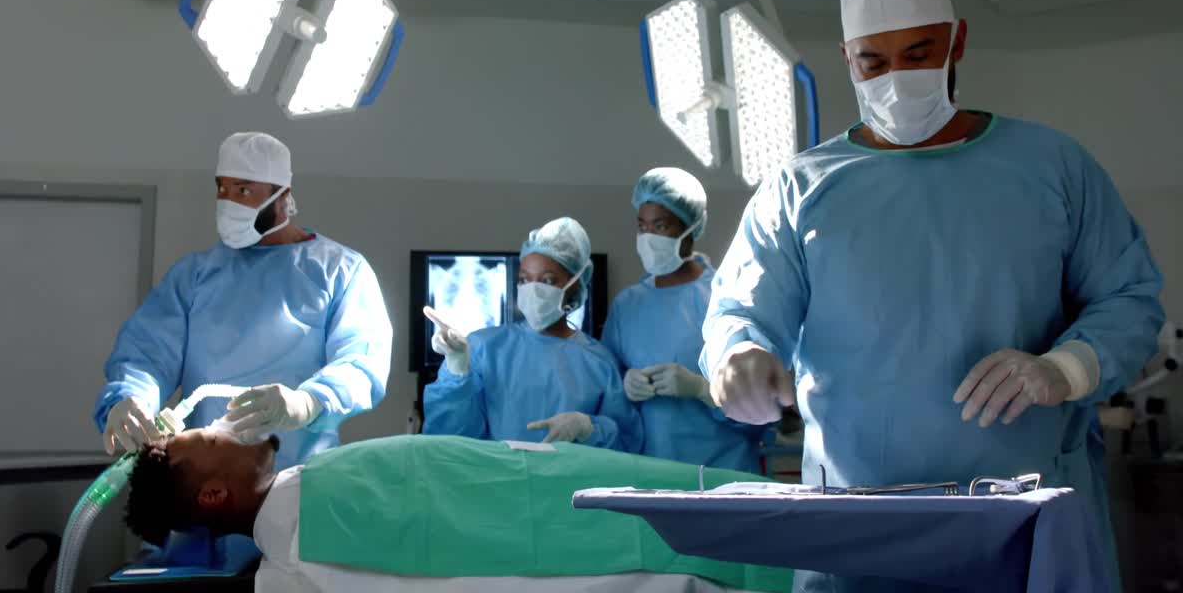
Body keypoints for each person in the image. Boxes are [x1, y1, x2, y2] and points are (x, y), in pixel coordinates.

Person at [699, 0, 1164, 593]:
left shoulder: (1052, 166)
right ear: (847, 59)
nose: (897, 79)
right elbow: (741, 311)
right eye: (874, 62)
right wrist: (740, 354)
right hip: (859, 533)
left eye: (919, 55)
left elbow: (1129, 296)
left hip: (1025, 524)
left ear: (958, 41)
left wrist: (1064, 369)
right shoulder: (800, 188)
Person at [122, 431, 792, 592]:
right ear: (214, 496)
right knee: (749, 534)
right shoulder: (318, 506)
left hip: (580, 506)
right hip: (598, 526)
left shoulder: (288, 565)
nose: (225, 426)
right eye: (207, 439)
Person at [95, 131, 393, 471]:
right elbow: (148, 354)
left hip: (301, 481)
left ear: (283, 196)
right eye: (222, 188)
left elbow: (360, 361)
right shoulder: (195, 275)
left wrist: (307, 402)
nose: (228, 201)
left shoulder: (340, 270)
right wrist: (131, 398)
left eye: (244, 190)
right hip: (204, 483)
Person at [423, 217, 642, 452]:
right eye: (524, 279)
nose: (533, 289)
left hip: (569, 486)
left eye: (547, 280)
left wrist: (589, 428)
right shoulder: (483, 347)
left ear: (576, 285)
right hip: (496, 482)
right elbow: (448, 438)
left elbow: (626, 446)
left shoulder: (599, 362)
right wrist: (456, 368)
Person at [603, 168, 762, 472]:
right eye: (642, 226)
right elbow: (608, 396)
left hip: (722, 475)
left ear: (691, 228)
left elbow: (759, 411)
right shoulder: (628, 305)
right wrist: (624, 387)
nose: (648, 238)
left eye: (660, 226)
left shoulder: (726, 298)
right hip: (649, 474)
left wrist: (703, 390)